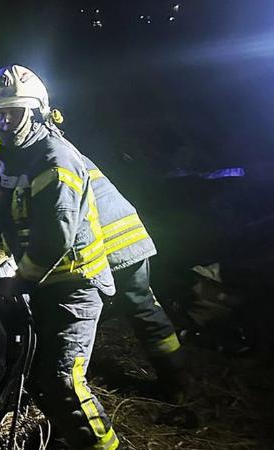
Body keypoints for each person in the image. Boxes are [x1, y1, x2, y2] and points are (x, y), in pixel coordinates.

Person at [0, 64, 119, 450]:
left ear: (38, 111)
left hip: (75, 285)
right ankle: (68, 440)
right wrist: (2, 248)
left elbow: (54, 237)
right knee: (38, 375)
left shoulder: (56, 160)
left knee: (63, 382)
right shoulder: (10, 154)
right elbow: (9, 208)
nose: (6, 120)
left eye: (15, 112)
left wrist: (19, 280)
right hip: (47, 282)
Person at [83, 156, 188, 400]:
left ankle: (177, 383)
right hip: (128, 232)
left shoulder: (46, 157)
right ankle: (178, 379)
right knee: (144, 308)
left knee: (129, 307)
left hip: (111, 241)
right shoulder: (64, 151)